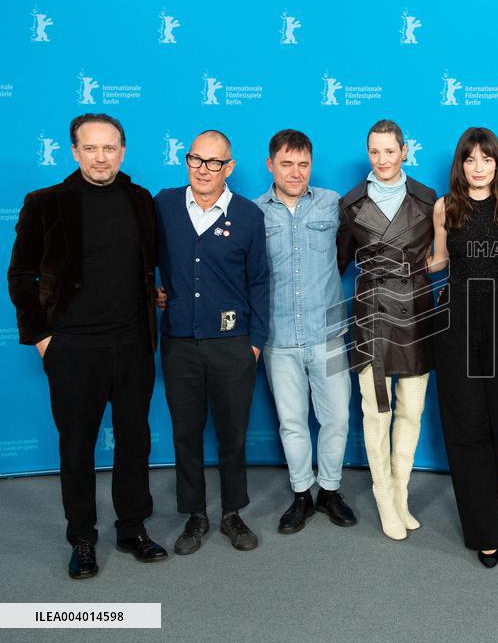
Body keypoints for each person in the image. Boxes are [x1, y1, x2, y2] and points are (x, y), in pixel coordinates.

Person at [8, 113, 167, 578]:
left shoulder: (140, 200)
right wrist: (42, 339)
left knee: (134, 442)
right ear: (74, 152)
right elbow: (20, 277)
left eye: (109, 148)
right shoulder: (45, 203)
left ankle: (132, 527)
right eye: (91, 148)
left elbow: (144, 268)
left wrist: (155, 297)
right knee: (76, 447)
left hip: (134, 344)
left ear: (122, 150)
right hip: (73, 349)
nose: (101, 157)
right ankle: (82, 536)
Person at [156, 130, 269, 555]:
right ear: (187, 162)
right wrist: (150, 292)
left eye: (214, 162)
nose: (204, 170)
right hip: (179, 343)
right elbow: (136, 257)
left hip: (232, 344)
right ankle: (195, 514)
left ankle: (232, 514)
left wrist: (255, 342)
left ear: (230, 167)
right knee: (186, 433)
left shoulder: (247, 215)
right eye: (196, 160)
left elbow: (259, 280)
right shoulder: (164, 205)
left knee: (232, 433)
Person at [426, 127, 498, 568]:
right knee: (463, 420)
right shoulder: (444, 207)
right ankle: (484, 530)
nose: (477, 167)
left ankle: (487, 514)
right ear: (460, 164)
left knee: (496, 422)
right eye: (469, 159)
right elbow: (439, 261)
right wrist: (395, 263)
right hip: (454, 317)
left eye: (485, 159)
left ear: (497, 164)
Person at [337, 119, 436, 541]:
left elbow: (442, 255)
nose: (382, 160)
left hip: (416, 313)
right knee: (376, 413)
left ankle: (401, 494)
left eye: (390, 152)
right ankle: (383, 496)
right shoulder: (350, 204)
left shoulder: (430, 200)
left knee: (411, 411)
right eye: (374, 152)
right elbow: (337, 263)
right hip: (371, 315)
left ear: (404, 152)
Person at [254, 129, 356, 533]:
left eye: (303, 164)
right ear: (270, 165)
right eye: (286, 164)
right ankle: (302, 495)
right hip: (278, 337)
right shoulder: (252, 211)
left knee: (337, 420)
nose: (295, 172)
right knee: (292, 422)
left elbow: (347, 252)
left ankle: (330, 491)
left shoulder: (333, 204)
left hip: (328, 333)